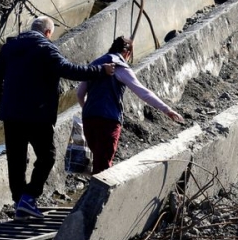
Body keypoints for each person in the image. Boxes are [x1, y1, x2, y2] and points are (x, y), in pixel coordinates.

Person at [0, 16, 114, 219]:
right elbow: (70, 70)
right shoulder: (45, 48)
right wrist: (100, 70)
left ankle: (20, 202)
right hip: (37, 115)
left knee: (16, 160)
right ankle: (29, 197)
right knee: (47, 157)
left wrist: (1, 99)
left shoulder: (10, 48)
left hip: (11, 116)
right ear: (48, 33)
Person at [77, 36, 183, 174]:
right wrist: (167, 110)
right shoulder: (119, 68)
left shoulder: (94, 65)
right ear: (127, 53)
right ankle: (97, 194)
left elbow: (79, 94)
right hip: (108, 121)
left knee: (98, 161)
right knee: (103, 167)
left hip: (89, 119)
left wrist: (87, 110)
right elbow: (143, 92)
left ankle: (93, 191)